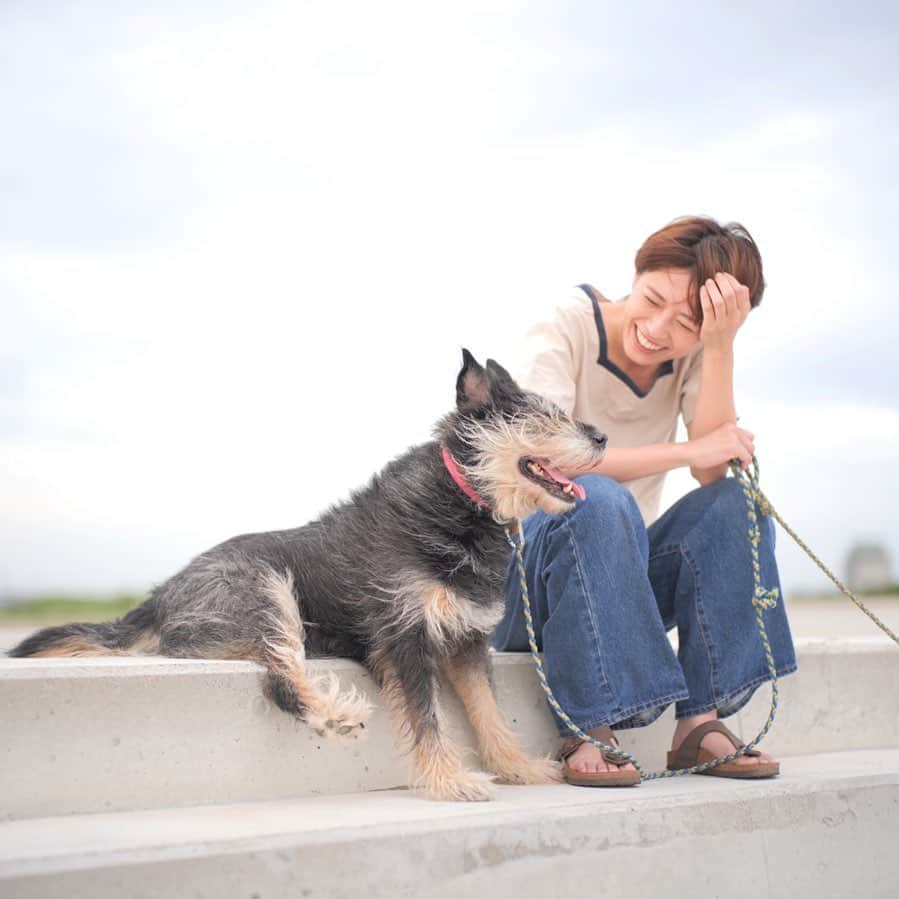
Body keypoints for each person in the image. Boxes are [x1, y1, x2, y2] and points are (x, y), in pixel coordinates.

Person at [491, 216, 796, 785]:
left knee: (736, 506)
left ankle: (697, 725)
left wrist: (720, 346)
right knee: (595, 497)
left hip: (615, 589)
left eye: (684, 324)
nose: (657, 329)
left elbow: (711, 469)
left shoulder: (696, 353)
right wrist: (689, 448)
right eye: (651, 298)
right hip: (525, 586)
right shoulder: (564, 325)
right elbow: (548, 465)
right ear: (635, 274)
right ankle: (589, 724)